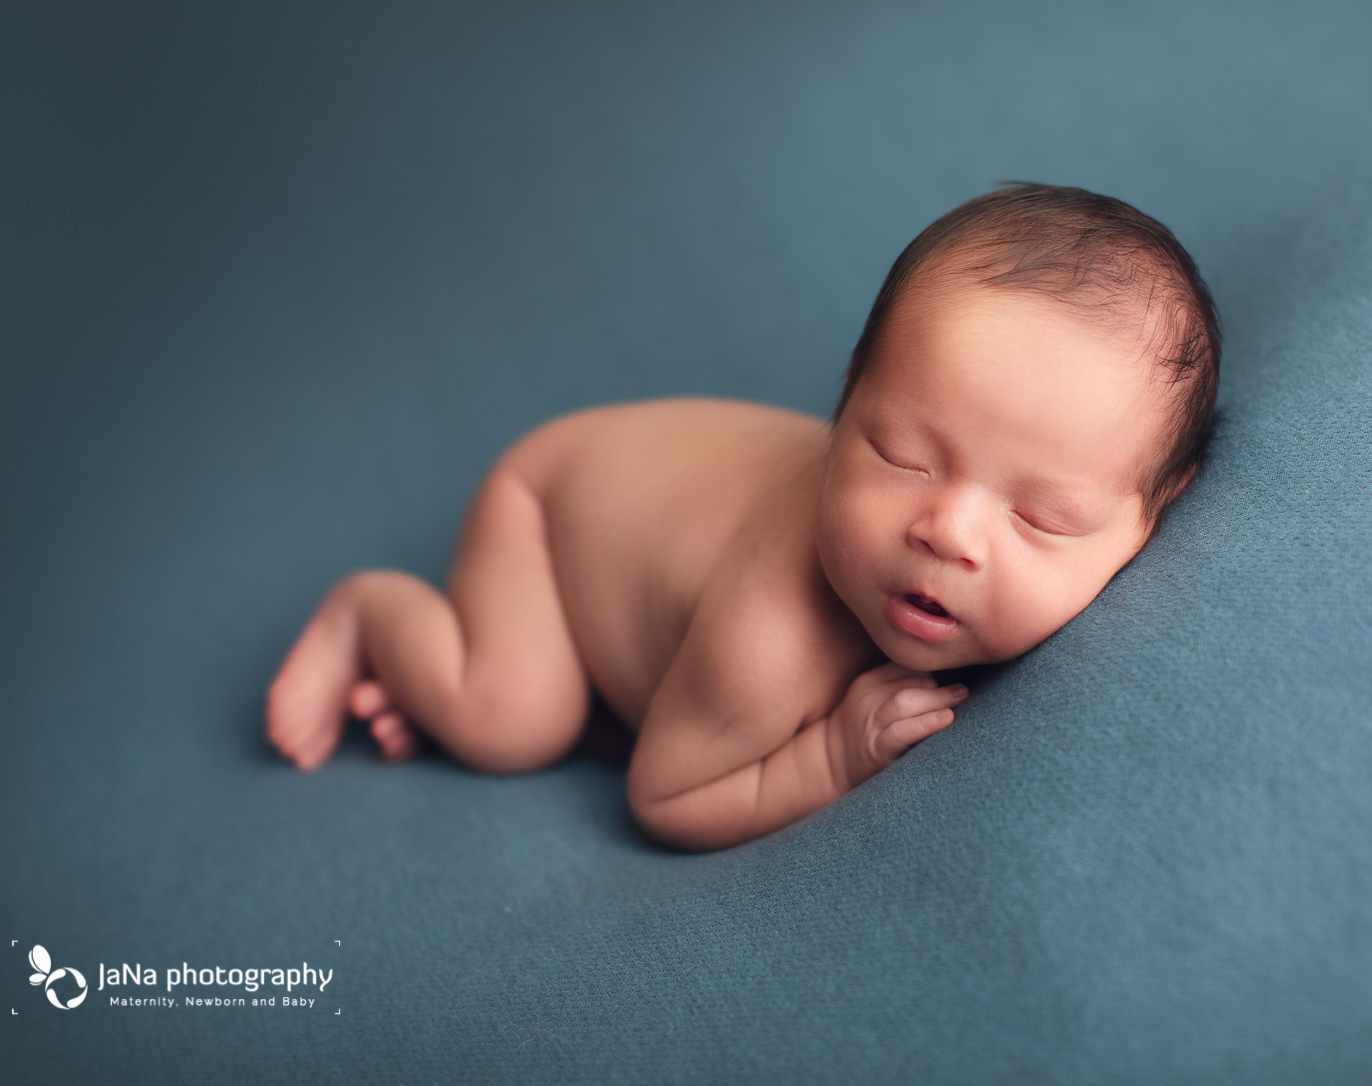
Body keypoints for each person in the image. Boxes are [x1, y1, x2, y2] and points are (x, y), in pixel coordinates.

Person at [266, 184, 1220, 851]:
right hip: (548, 513)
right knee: (515, 720)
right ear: (846, 403)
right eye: (902, 456)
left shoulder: (1105, 501)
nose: (950, 534)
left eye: (1045, 518)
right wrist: (833, 753)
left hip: (638, 528)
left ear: (1155, 512)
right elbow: (664, 797)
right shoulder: (775, 633)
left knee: (605, 708)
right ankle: (374, 615)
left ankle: (594, 678)